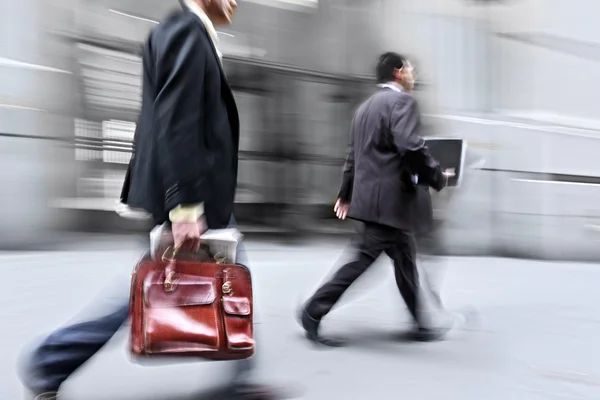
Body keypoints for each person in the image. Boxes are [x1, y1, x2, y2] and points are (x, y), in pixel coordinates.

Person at [18, 1, 289, 399]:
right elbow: (177, 120)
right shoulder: (185, 32)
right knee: (150, 289)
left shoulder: (183, 32)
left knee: (217, 277)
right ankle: (49, 360)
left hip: (194, 195)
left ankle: (238, 380)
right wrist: (184, 206)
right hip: (189, 198)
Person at [298, 52, 455, 347]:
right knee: (361, 259)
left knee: (405, 260)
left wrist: (345, 194)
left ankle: (420, 323)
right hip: (391, 204)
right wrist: (437, 176)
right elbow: (410, 147)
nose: (413, 74)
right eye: (410, 69)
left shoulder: (364, 108)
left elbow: (353, 157)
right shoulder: (402, 102)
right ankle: (312, 310)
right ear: (397, 72)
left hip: (376, 201)